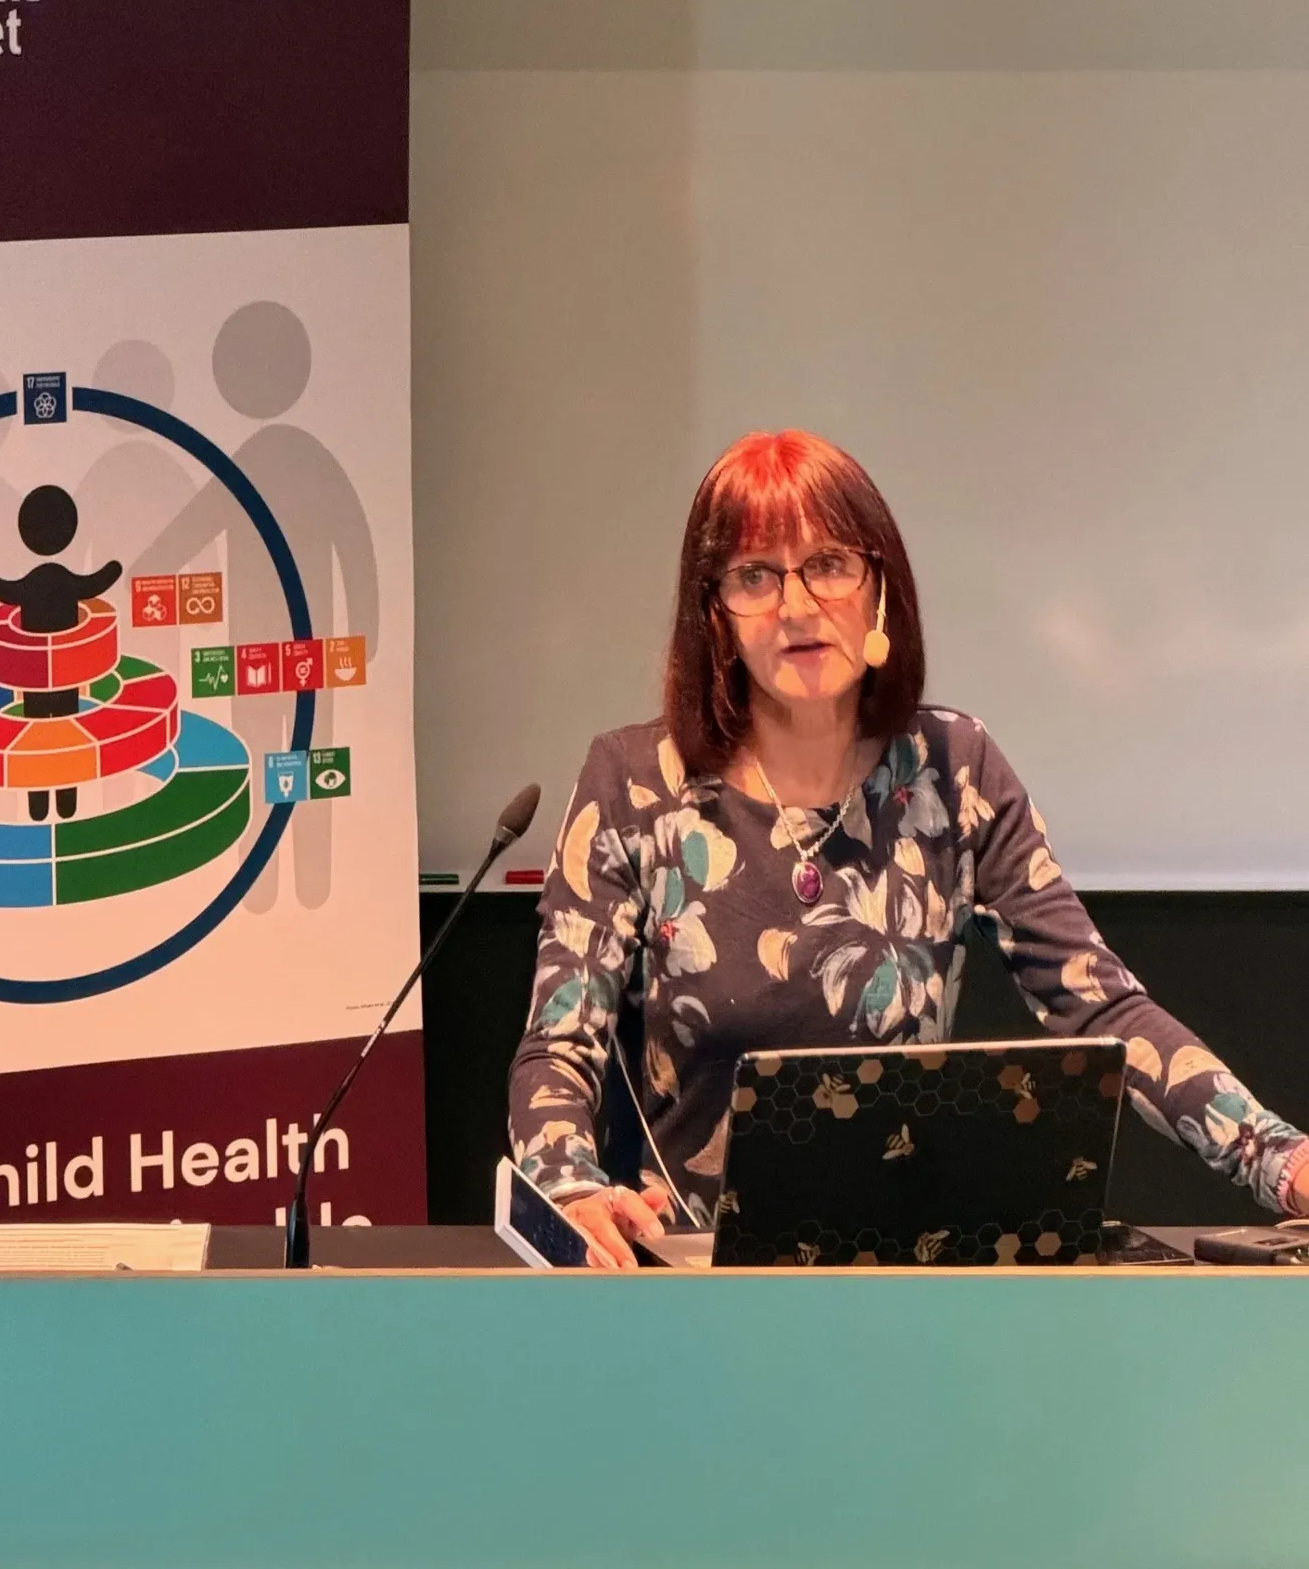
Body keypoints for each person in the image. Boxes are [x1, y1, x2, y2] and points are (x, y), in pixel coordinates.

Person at [508, 430, 1309, 1269]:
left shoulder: (952, 767)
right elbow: (559, 1045)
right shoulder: (633, 782)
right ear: (714, 612)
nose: (796, 607)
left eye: (828, 565)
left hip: (904, 1274)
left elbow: (1099, 1004)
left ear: (880, 586)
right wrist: (570, 1187)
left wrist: (1282, 1160)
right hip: (692, 1281)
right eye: (754, 576)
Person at [0, 485, 122, 822]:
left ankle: (38, 804)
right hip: (64, 674)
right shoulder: (64, 580)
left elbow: (2, 589)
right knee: (67, 732)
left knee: (37, 735)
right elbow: (95, 583)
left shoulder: (33, 583)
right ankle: (65, 801)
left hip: (36, 677)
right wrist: (114, 568)